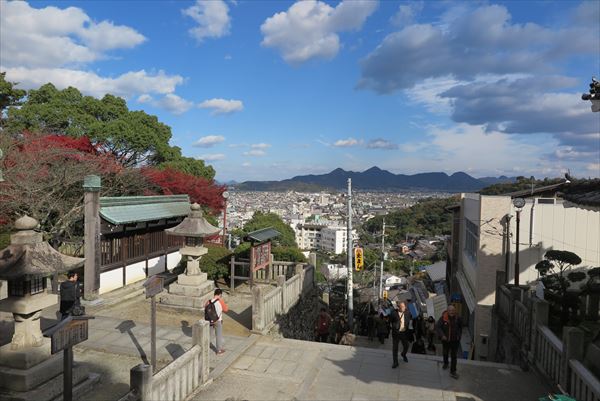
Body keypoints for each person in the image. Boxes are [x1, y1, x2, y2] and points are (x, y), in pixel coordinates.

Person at [436, 305, 463, 379]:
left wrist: (459, 336)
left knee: (454, 356)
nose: (452, 312)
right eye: (450, 310)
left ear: (455, 311)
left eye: (453, 310)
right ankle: (446, 363)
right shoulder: (443, 318)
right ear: (447, 311)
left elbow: (461, 327)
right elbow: (438, 327)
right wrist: (442, 335)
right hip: (446, 340)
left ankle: (453, 371)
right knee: (445, 352)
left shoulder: (458, 318)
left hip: (455, 340)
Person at [205, 288, 229, 355]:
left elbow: (205, 308)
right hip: (218, 321)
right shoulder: (220, 301)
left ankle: (205, 346)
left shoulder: (209, 301)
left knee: (209, 334)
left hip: (210, 320)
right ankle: (219, 350)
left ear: (214, 294)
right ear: (220, 294)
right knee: (218, 335)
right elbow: (226, 309)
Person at [390, 301, 411, 368]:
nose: (403, 308)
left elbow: (410, 320)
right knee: (395, 348)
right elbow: (390, 320)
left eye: (404, 306)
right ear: (398, 307)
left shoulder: (407, 313)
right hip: (396, 333)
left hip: (404, 333)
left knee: (406, 346)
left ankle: (403, 354)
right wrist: (393, 326)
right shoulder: (393, 313)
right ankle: (395, 362)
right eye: (401, 307)